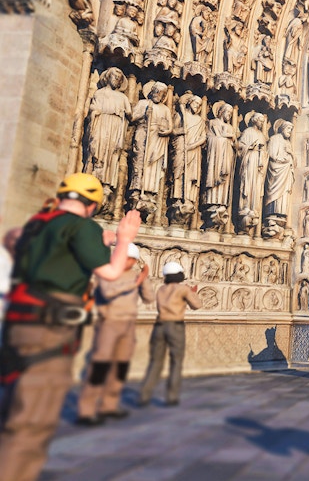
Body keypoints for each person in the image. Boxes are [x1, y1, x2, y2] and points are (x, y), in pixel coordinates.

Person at [0, 173, 141, 481]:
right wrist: (125, 237)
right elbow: (111, 272)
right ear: (93, 205)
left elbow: (57, 251)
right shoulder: (82, 227)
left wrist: (101, 240)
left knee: (12, 407)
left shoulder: (37, 223)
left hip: (19, 324)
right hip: (50, 329)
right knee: (31, 423)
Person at [76, 243, 153, 426]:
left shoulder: (135, 276)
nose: (129, 262)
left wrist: (144, 280)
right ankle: (86, 410)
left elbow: (149, 298)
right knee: (100, 366)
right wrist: (135, 282)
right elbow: (108, 292)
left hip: (128, 325)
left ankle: (109, 405)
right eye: (126, 258)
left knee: (121, 366)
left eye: (132, 259)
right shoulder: (107, 273)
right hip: (109, 323)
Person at [137, 262, 202, 407]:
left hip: (159, 326)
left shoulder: (161, 289)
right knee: (176, 362)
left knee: (155, 362)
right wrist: (193, 292)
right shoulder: (183, 289)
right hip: (175, 326)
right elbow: (196, 305)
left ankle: (144, 395)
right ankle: (171, 397)